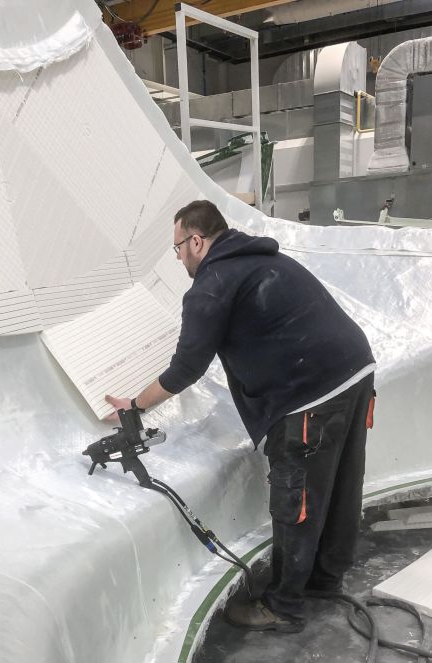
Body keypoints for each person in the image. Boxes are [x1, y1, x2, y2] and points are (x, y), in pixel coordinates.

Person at [106, 200, 376, 634]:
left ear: (196, 241)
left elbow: (186, 369)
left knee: (297, 498)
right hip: (355, 371)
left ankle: (284, 606)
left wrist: (134, 406)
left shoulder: (213, 284)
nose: (178, 259)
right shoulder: (257, 258)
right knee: (341, 482)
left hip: (309, 393)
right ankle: (325, 580)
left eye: (177, 248)